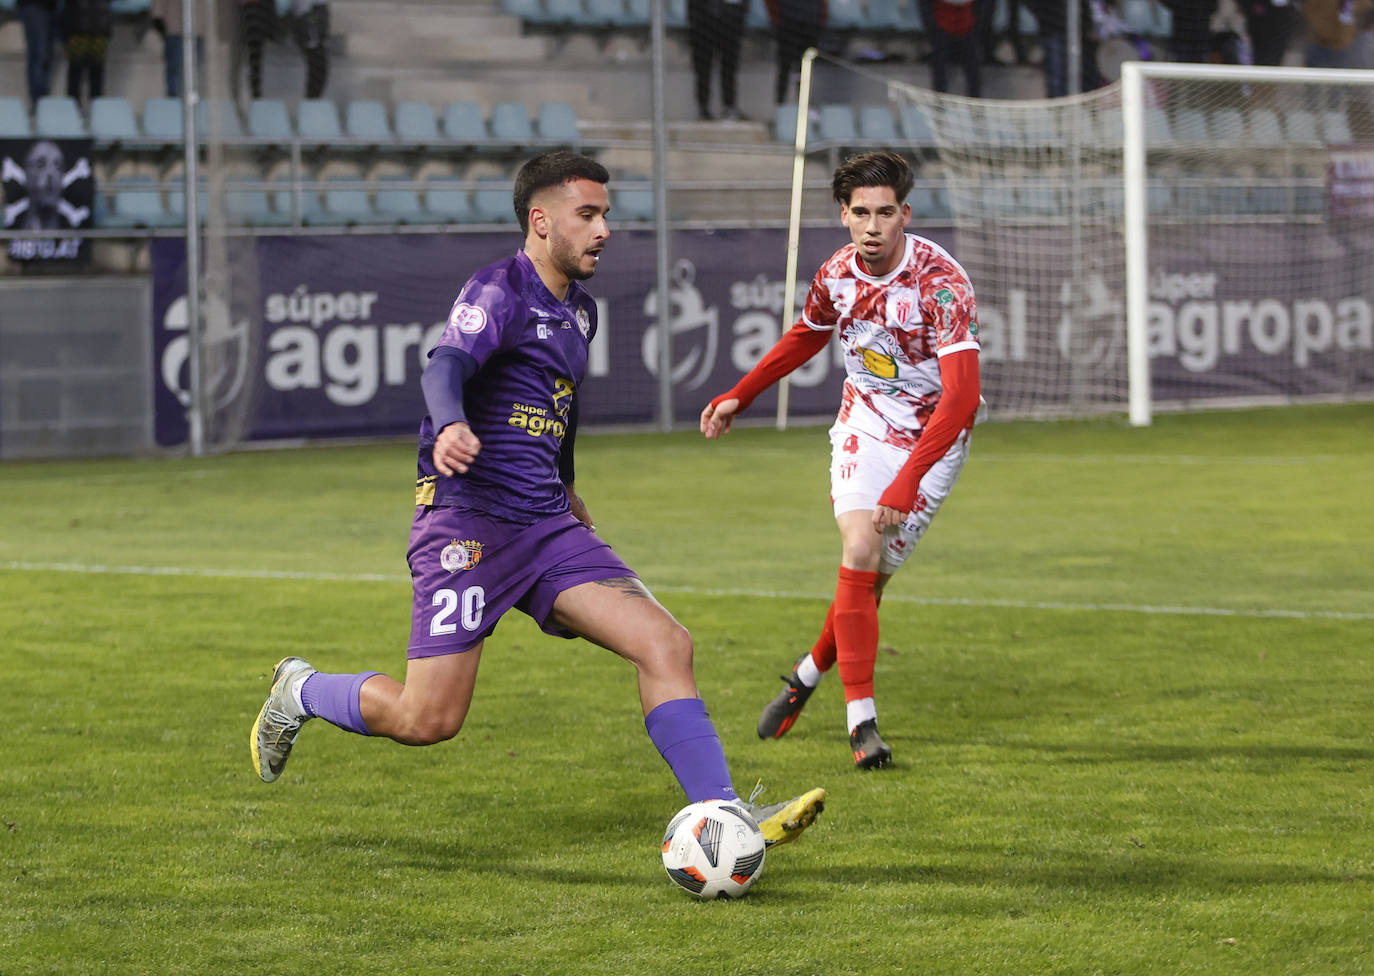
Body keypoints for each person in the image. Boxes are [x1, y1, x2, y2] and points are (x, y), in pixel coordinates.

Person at [250, 151, 826, 848]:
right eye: (588, 215)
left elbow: (562, 404)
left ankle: (725, 816)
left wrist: (570, 482)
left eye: (606, 214)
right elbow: (446, 366)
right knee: (427, 719)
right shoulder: (498, 291)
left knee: (665, 643)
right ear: (541, 219)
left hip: (547, 527)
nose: (604, 229)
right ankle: (301, 692)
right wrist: (453, 422)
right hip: (468, 525)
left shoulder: (578, 314)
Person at [700, 150, 983, 770]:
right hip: (865, 423)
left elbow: (961, 398)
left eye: (886, 213)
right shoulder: (837, 273)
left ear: (905, 214)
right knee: (859, 550)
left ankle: (804, 676)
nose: (874, 225)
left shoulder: (940, 282)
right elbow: (807, 333)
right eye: (862, 213)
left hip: (934, 441)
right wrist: (739, 394)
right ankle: (863, 725)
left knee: (867, 586)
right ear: (845, 216)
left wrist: (909, 481)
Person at [1023, 0, 1104, 97]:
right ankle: (1060, 110)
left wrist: (1089, 24)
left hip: (1082, 33)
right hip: (1054, 32)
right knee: (1058, 80)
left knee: (1086, 78)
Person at [687, 0, 747, 121]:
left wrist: (739, 14)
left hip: (730, 21)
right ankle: (703, 107)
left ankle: (729, 106)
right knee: (704, 66)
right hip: (704, 21)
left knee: (729, 67)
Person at [917, 0, 988, 97]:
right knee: (940, 66)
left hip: (968, 24)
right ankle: (940, 102)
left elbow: (981, 7)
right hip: (941, 24)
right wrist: (931, 27)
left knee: (972, 67)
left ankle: (976, 103)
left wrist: (977, 25)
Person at [766, 0, 827, 106]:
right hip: (788, 21)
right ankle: (780, 106)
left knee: (805, 68)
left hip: (811, 22)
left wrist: (821, 17)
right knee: (785, 66)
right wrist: (776, 18)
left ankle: (804, 106)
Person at [61, 0, 113, 105]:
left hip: (99, 27)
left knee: (97, 72)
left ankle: (97, 108)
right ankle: (73, 107)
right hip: (77, 28)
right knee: (76, 71)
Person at [150, 0, 204, 97]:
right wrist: (158, 16)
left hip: (196, 29)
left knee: (195, 69)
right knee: (175, 70)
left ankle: (193, 99)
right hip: (175, 27)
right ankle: (175, 100)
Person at [19, 139, 66, 230]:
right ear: (26, 174)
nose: (51, 174)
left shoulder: (72, 233)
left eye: (58, 166)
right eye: (40, 165)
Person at [291, 0, 330, 99]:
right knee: (317, 63)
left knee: (318, 65)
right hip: (310, 13)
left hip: (315, 11)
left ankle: (312, 100)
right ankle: (311, 101)